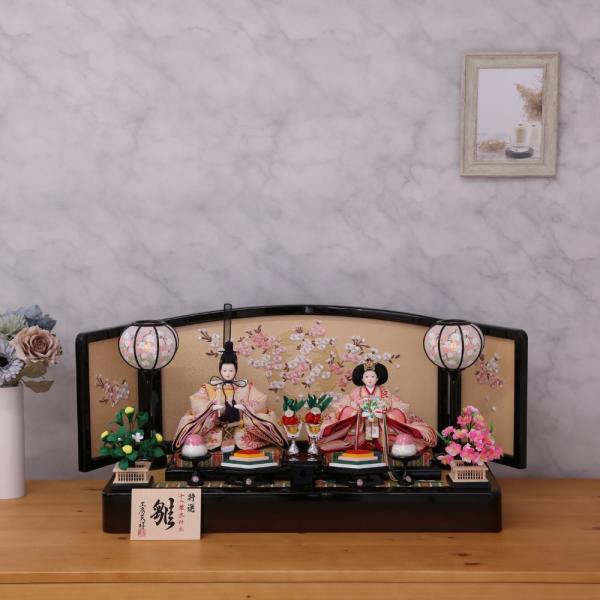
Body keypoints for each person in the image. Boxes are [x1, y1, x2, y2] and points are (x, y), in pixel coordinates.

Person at [172, 341, 286, 453]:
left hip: (241, 427)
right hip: (216, 428)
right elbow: (197, 401)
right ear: (220, 370)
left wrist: (246, 408)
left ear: (236, 370)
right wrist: (210, 408)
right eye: (224, 370)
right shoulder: (210, 386)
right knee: (193, 426)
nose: (227, 373)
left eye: (231, 370)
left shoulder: (246, 386)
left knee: (255, 428)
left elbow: (260, 401)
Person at [318, 359, 436, 454]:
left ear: (377, 378)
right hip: (361, 426)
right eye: (367, 377)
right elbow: (343, 406)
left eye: (372, 376)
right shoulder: (355, 391)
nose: (370, 379)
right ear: (362, 379)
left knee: (386, 438)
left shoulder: (384, 391)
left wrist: (386, 411)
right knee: (356, 440)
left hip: (381, 426)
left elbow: (396, 405)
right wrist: (355, 412)